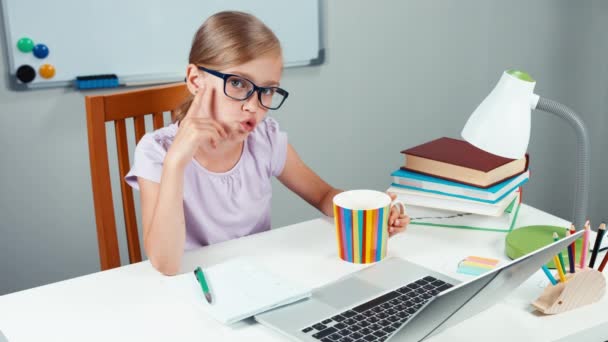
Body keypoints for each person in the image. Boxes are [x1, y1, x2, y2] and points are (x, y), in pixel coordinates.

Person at [125, 11, 409, 275]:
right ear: (196, 80)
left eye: (268, 90)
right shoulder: (157, 152)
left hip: (257, 279)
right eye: (238, 83)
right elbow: (165, 264)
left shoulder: (265, 139)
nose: (254, 106)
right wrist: (176, 162)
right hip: (194, 286)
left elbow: (323, 195)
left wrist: (370, 215)